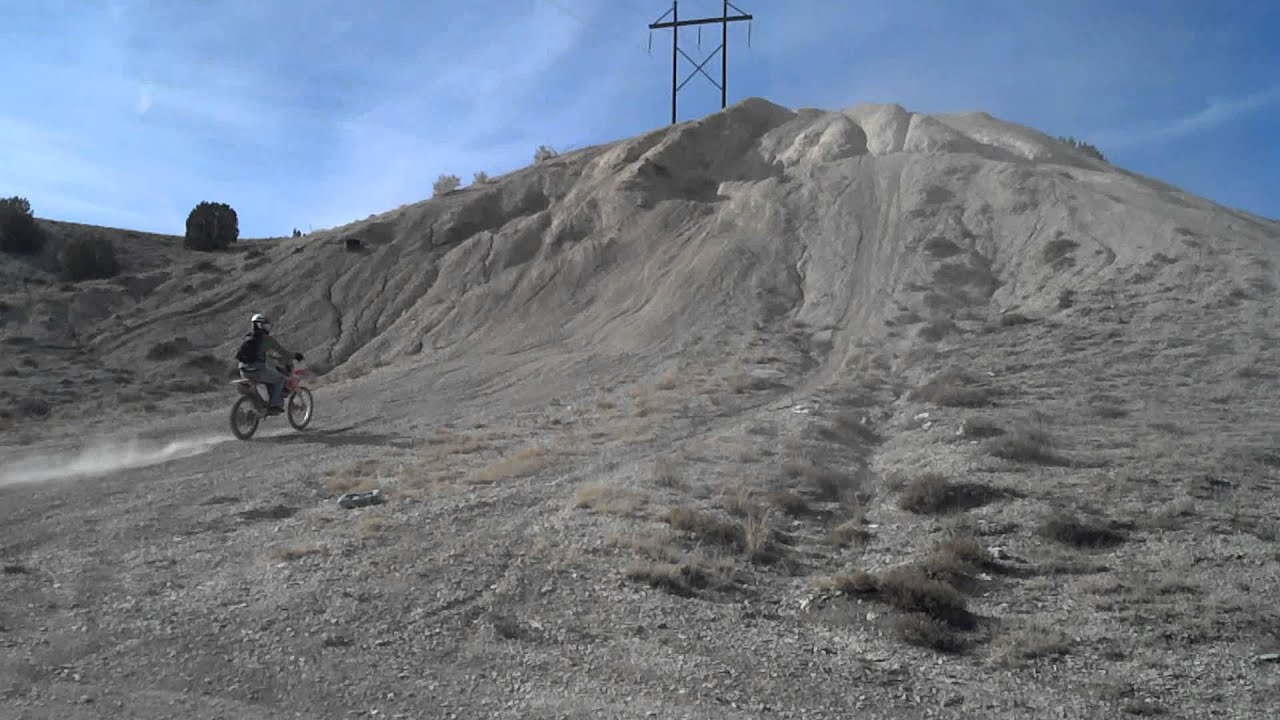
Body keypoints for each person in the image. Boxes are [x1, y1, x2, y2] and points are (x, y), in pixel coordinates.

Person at [235, 313, 303, 414]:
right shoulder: (267, 339)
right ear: (262, 325)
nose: (268, 327)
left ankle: (260, 404)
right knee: (279, 379)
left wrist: (271, 357)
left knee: (268, 377)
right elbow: (284, 353)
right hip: (258, 371)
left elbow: (255, 354)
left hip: (243, 370)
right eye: (267, 324)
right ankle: (274, 405)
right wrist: (296, 355)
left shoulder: (248, 337)